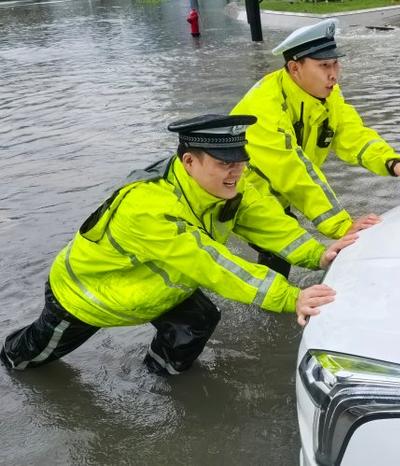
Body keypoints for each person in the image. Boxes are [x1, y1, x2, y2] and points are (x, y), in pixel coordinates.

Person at [0, 114, 357, 376]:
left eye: (241, 162)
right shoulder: (148, 207)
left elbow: (267, 220)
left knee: (199, 320)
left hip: (157, 287)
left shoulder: (225, 186)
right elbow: (211, 263)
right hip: (88, 297)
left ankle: (157, 377)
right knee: (30, 358)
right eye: (224, 164)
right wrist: (288, 296)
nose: (236, 171)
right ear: (189, 161)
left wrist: (318, 253)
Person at [230, 19, 400, 276]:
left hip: (273, 192)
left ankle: (274, 304)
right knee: (284, 246)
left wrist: (392, 162)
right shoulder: (263, 107)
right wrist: (343, 226)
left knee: (282, 247)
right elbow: (293, 172)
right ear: (295, 68)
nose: (334, 74)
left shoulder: (327, 93)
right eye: (324, 65)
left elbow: (351, 132)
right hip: (237, 191)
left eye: (336, 63)